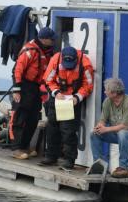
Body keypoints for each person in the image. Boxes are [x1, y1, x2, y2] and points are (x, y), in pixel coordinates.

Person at [39, 46, 94, 169]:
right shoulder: (55, 60)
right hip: (57, 98)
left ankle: (69, 159)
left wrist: (78, 97)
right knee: (52, 126)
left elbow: (88, 85)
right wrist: (56, 92)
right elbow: (48, 80)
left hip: (73, 100)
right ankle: (51, 156)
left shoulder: (85, 64)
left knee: (68, 130)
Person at [9, 27, 58, 160]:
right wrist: (17, 90)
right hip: (24, 86)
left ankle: (25, 146)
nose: (54, 41)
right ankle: (16, 148)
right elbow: (17, 70)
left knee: (33, 118)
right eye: (51, 39)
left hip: (36, 88)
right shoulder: (30, 50)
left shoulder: (49, 52)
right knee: (20, 117)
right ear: (44, 39)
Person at [90, 78, 128, 178]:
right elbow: (103, 120)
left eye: (106, 90)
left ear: (114, 93)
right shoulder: (107, 101)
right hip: (117, 135)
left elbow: (125, 126)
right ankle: (99, 165)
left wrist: (106, 129)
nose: (104, 92)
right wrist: (100, 126)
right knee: (94, 133)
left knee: (123, 133)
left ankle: (123, 168)